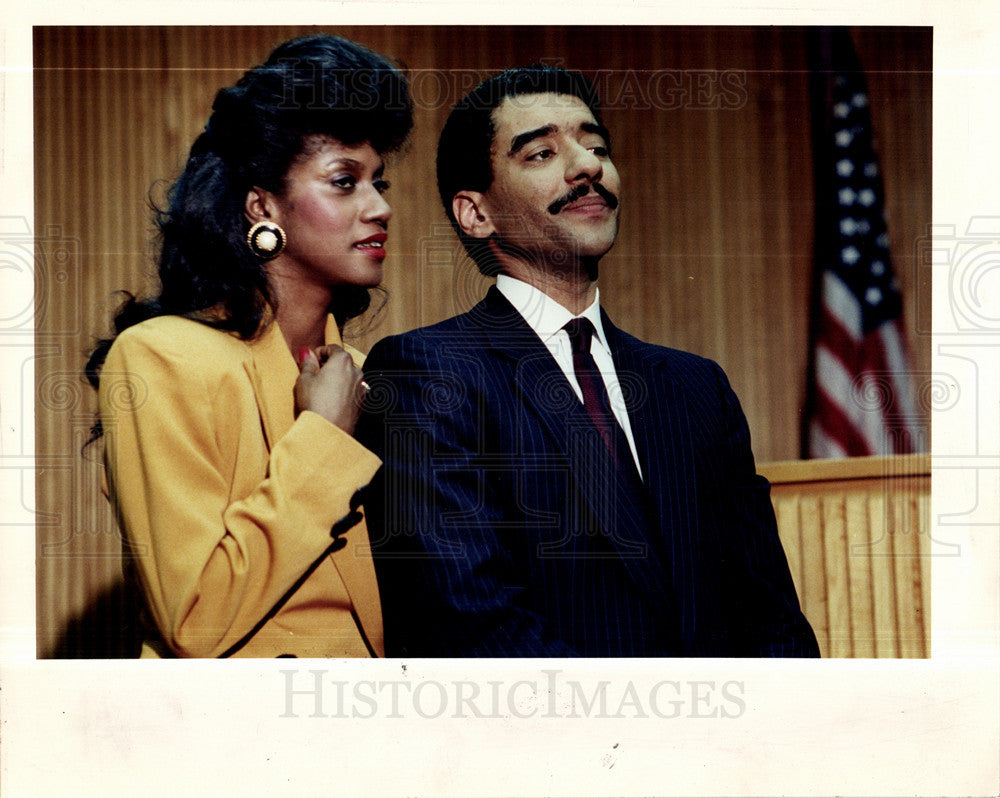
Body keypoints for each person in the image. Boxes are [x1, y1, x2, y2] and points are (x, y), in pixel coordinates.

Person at [357, 65, 820, 657]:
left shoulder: (696, 387)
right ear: (476, 213)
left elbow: (772, 617)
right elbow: (473, 624)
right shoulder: (425, 372)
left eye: (596, 145)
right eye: (542, 152)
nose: (587, 166)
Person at [86, 34, 412, 658]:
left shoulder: (378, 379)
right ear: (264, 207)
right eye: (345, 181)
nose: (380, 208)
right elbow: (196, 621)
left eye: (380, 182)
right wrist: (323, 436)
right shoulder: (160, 358)